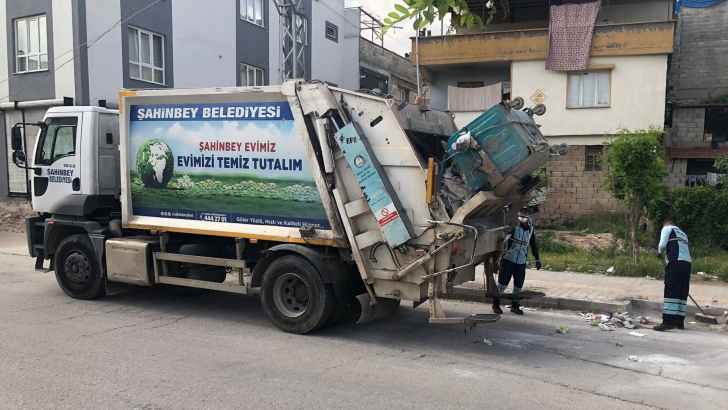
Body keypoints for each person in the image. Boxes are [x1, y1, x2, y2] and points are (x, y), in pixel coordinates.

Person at [493, 207, 542, 315]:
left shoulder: (531, 230)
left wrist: (537, 258)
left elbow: (533, 244)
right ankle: (496, 304)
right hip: (508, 259)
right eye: (521, 212)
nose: (523, 215)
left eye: (526, 213)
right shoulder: (513, 226)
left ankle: (515, 305)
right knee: (502, 284)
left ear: (529, 215)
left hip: (521, 261)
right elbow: (504, 232)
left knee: (518, 285)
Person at [654, 220, 691, 331]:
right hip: (687, 264)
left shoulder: (667, 228)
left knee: (672, 289)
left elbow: (662, 245)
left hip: (675, 262)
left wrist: (659, 252)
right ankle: (679, 322)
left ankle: (668, 322)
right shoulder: (683, 233)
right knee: (681, 292)